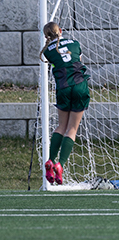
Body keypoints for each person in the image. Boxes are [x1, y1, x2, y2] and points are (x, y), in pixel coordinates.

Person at [39, 22, 90, 186]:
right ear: (60, 31)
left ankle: (50, 160)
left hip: (63, 88)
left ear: (46, 36)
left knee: (62, 126)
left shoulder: (47, 52)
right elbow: (77, 60)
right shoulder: (75, 43)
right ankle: (60, 164)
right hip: (79, 85)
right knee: (72, 128)